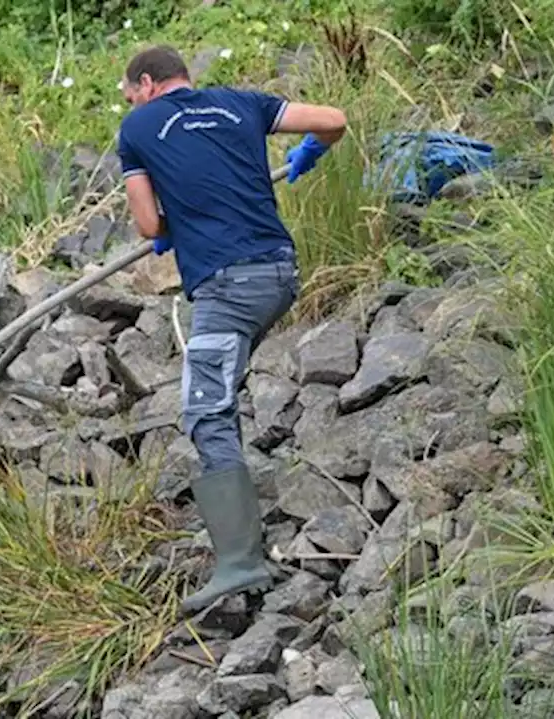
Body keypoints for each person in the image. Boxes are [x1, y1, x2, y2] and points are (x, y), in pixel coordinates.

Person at [115, 45, 347, 614]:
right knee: (221, 386)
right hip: (279, 274)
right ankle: (245, 543)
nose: (130, 102)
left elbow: (148, 222)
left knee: (204, 410)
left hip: (226, 289)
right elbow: (334, 120)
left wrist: (173, 226)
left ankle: (241, 564)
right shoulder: (239, 103)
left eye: (129, 93)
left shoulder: (138, 127)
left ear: (146, 84)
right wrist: (312, 149)